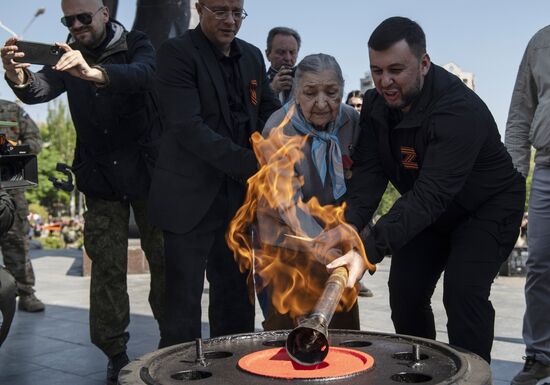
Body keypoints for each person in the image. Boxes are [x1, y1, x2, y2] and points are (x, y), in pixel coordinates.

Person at [338, 17, 525, 363]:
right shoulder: (377, 105)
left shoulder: (458, 110)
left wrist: (367, 250)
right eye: (376, 71)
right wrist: (347, 229)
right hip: (429, 210)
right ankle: (418, 370)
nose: (385, 82)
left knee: (463, 291)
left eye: (396, 70)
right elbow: (369, 174)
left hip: (485, 208)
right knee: (405, 293)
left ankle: (473, 374)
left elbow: (431, 195)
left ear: (424, 63)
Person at [1, 0, 165, 383]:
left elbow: (145, 75)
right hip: (100, 178)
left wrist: (93, 72)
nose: (75, 25)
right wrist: (17, 75)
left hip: (147, 176)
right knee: (106, 270)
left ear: (105, 13)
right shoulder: (65, 52)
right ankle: (114, 352)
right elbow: (41, 88)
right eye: (68, 19)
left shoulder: (138, 43)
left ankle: (171, 340)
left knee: (165, 263)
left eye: (83, 17)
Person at [148, 0, 280, 348]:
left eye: (238, 12)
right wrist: (253, 164)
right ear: (199, 7)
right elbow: (187, 127)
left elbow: (269, 113)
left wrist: (287, 142)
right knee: (182, 312)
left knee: (237, 303)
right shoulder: (175, 54)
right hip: (187, 200)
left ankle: (233, 370)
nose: (231, 20)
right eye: (220, 11)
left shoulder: (252, 56)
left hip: (237, 200)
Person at [256, 53, 369, 329]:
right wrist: (322, 244)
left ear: (342, 89)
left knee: (342, 327)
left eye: (331, 92)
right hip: (285, 242)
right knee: (285, 332)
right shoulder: (277, 127)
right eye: (310, 92)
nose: (321, 103)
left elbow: (363, 181)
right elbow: (286, 203)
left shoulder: (351, 121)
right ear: (295, 92)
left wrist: (355, 234)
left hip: (335, 238)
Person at [505, 25, 550, 384]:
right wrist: (513, 181)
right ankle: (540, 355)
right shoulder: (540, 41)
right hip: (548, 166)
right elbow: (520, 113)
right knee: (539, 264)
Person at [0, 99, 44, 312]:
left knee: (16, 245)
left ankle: (26, 293)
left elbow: (36, 141)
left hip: (11, 190)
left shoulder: (12, 109)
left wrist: (11, 149)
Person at [343, 90, 373, 298]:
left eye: (359, 106)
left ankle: (355, 279)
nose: (355, 110)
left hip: (359, 199)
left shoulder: (368, 132)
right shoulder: (341, 129)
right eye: (351, 105)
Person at [266, 27, 301, 104]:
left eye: (292, 52)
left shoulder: (305, 82)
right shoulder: (254, 82)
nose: (288, 58)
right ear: (268, 54)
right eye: (281, 52)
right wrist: (271, 90)